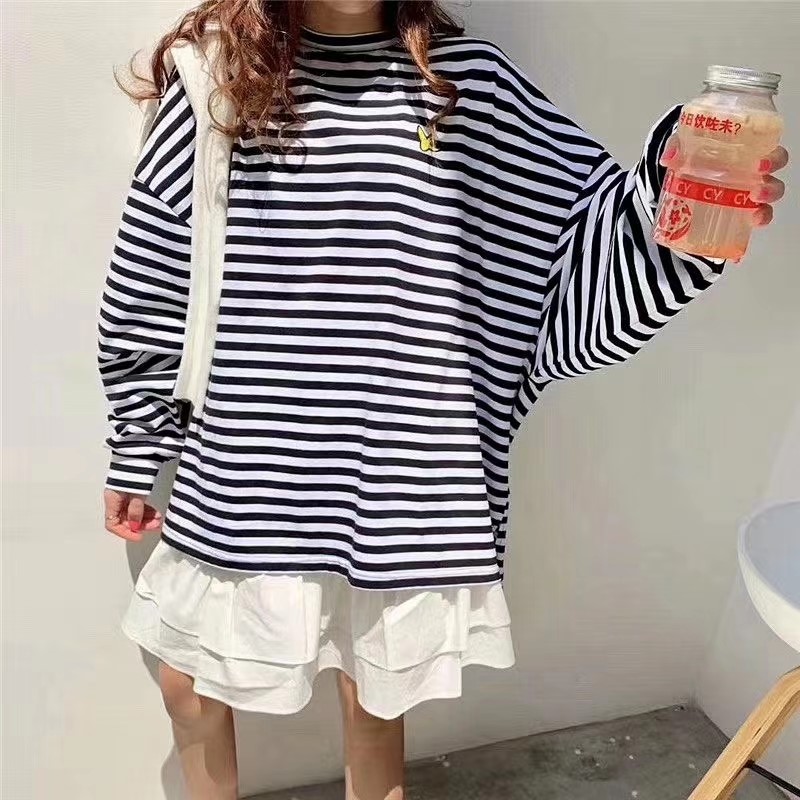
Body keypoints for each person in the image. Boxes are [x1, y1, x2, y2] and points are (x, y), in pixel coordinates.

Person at [97, 1, 788, 798]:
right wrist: (136, 441)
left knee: (374, 696)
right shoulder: (217, 82)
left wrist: (685, 185)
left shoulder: (468, 87)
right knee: (189, 683)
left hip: (399, 462)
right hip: (251, 458)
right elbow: (151, 275)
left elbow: (582, 241)